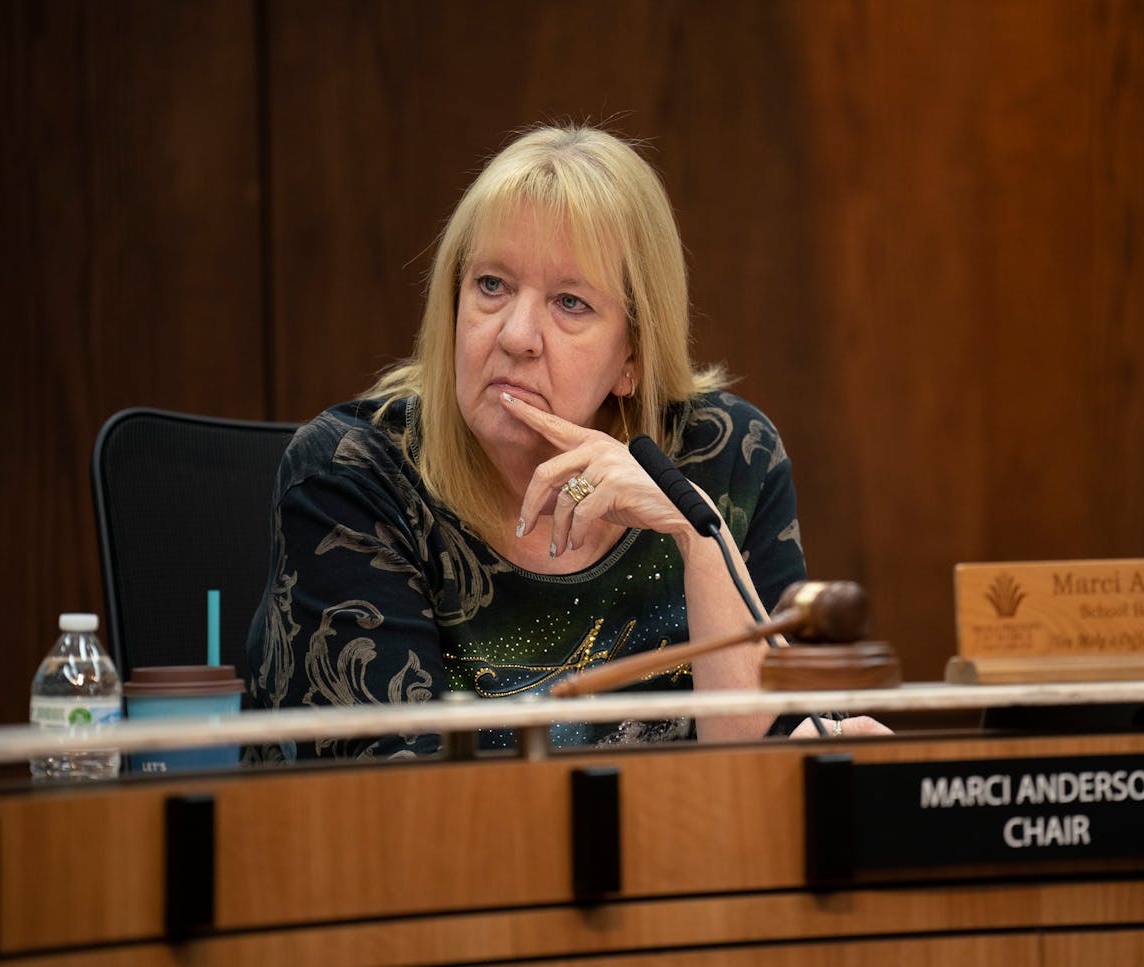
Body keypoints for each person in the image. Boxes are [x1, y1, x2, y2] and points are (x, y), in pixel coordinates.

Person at [245, 124, 883, 760]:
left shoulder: (725, 457)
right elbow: (402, 811)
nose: (517, 335)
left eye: (570, 302)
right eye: (491, 285)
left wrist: (696, 534)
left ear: (631, 354)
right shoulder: (354, 477)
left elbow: (783, 764)